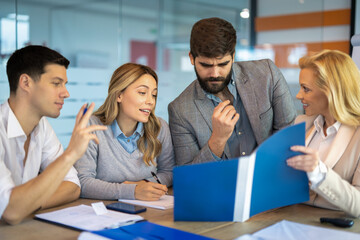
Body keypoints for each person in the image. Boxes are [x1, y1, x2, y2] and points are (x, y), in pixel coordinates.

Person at [0, 45, 107, 225]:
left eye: (64, 84)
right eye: (56, 83)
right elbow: (11, 211)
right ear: (26, 83)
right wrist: (71, 153)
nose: (66, 93)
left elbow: (73, 186)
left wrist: (27, 204)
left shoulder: (41, 127)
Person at [168, 17, 296, 165]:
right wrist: (218, 140)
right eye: (206, 65)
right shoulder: (180, 110)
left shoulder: (267, 74)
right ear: (191, 58)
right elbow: (188, 176)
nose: (215, 73)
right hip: (220, 186)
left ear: (233, 56)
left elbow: (288, 135)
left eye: (223, 64)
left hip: (272, 176)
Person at [75, 63, 175, 201]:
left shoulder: (159, 127)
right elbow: (83, 182)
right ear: (119, 95)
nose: (151, 101)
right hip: (101, 212)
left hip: (148, 208)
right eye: (142, 93)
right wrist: (132, 191)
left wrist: (144, 185)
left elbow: (169, 172)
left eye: (154, 95)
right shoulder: (92, 126)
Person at [286, 50, 360, 217]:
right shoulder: (301, 123)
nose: (298, 95)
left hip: (335, 227)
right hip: (290, 217)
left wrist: (318, 172)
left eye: (306, 89)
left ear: (331, 91)